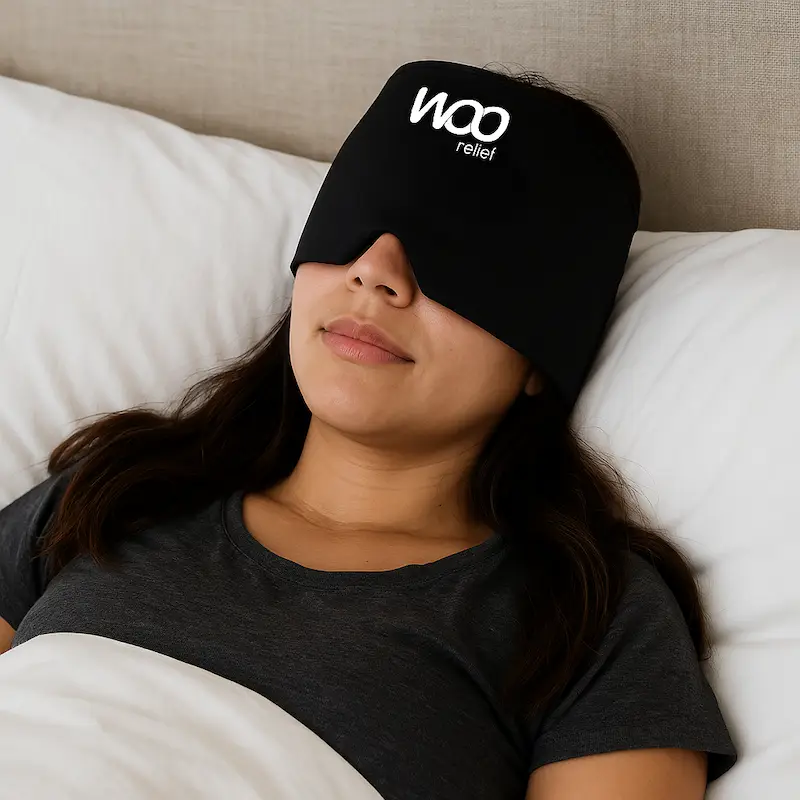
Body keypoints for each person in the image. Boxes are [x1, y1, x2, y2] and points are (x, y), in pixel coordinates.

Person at [0, 62, 737, 800]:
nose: (376, 271)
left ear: (544, 355)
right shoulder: (119, 492)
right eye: (359, 224)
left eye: (460, 248)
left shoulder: (583, 614)